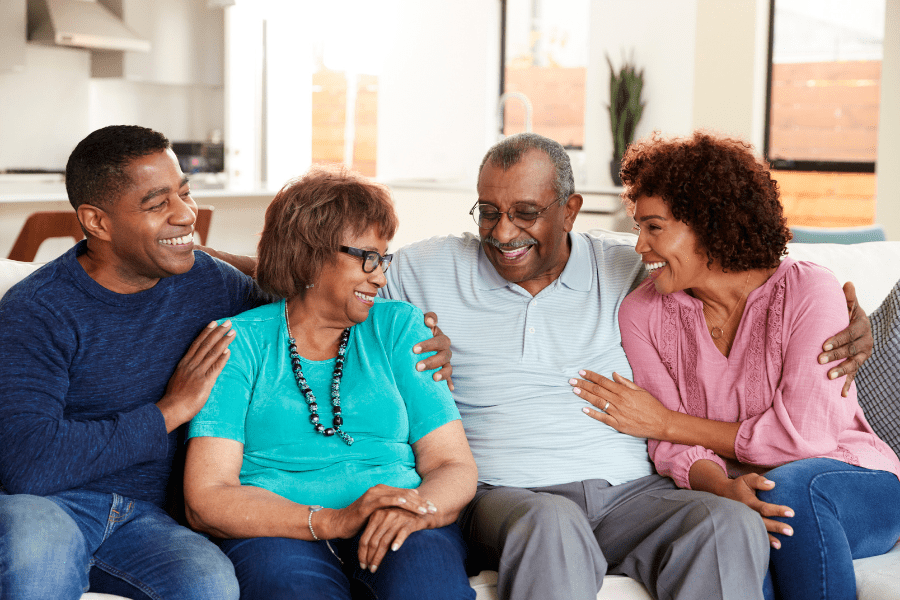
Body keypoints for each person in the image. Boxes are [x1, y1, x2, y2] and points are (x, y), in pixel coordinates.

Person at [202, 132, 873, 600]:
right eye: (488, 212)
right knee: (551, 524)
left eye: (525, 213)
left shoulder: (632, 269)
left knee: (723, 524)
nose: (502, 233)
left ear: (571, 210)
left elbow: (749, 279)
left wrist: (851, 310)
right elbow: (321, 271)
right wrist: (194, 258)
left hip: (630, 493)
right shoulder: (427, 269)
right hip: (511, 494)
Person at [0, 125, 452, 600]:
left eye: (185, 193)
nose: (185, 214)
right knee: (37, 555)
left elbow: (299, 298)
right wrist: (171, 410)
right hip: (48, 505)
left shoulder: (210, 284)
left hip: (150, 518)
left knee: (211, 585)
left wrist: (421, 334)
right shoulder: (38, 311)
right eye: (158, 204)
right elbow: (28, 464)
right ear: (97, 222)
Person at [573, 131, 900, 600]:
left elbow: (802, 439)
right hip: (742, 489)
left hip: (849, 481)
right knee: (740, 537)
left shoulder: (810, 293)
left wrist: (668, 420)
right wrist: (723, 489)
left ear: (708, 223)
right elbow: (668, 447)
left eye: (654, 227)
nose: (639, 245)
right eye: (637, 227)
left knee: (785, 491)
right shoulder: (642, 313)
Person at [183, 167, 478, 600]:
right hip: (276, 532)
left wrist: (421, 509)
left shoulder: (400, 328)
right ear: (311, 254)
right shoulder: (238, 342)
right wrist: (330, 520)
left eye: (384, 258)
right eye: (367, 257)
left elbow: (452, 465)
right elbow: (207, 496)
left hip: (402, 520)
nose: (380, 276)